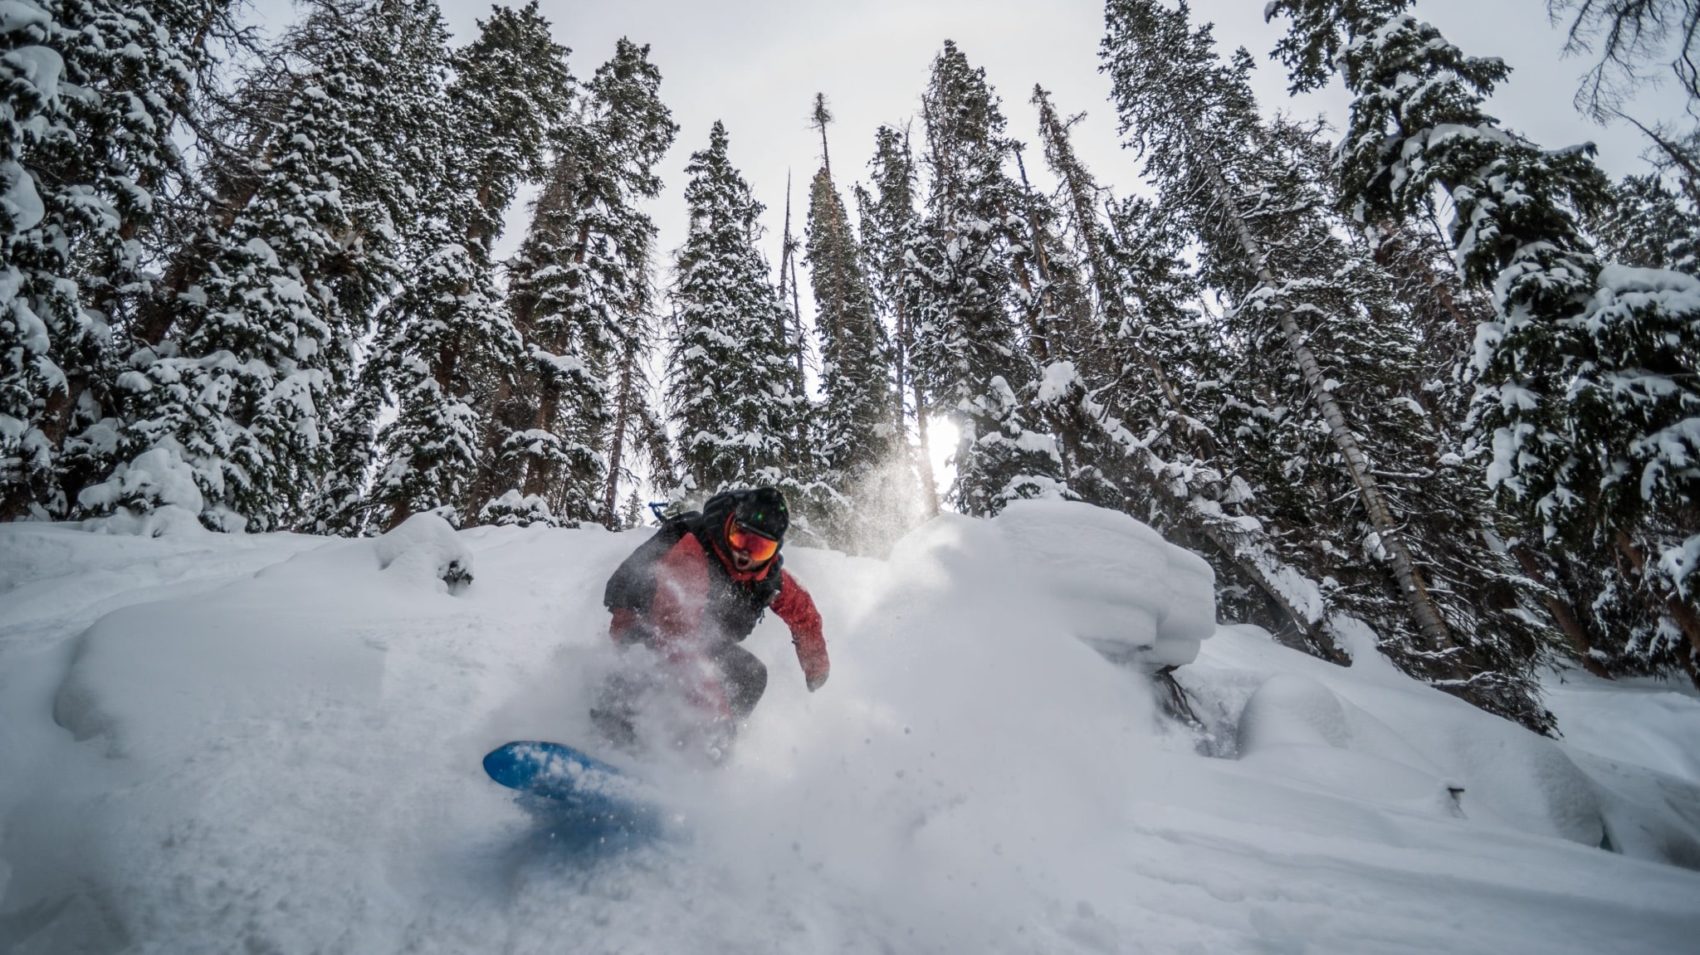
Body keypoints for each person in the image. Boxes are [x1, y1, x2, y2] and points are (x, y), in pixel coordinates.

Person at [595, 487, 828, 756]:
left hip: (698, 639)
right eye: (741, 539)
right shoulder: (693, 550)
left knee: (752, 675)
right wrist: (718, 717)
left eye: (760, 548)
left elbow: (803, 614)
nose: (746, 554)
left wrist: (816, 664)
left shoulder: (767, 577)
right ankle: (613, 739)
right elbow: (676, 637)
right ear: (730, 526)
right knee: (648, 665)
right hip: (644, 623)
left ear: (774, 551)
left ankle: (698, 749)